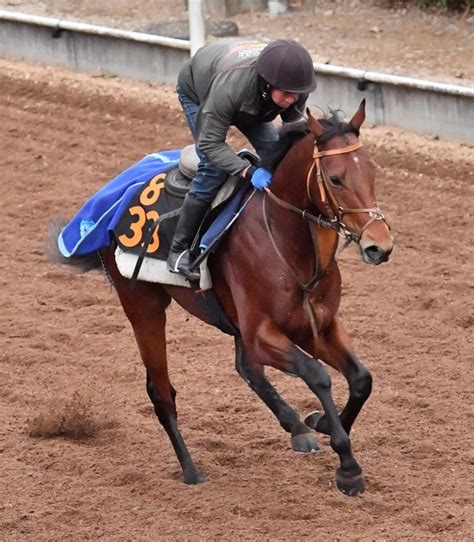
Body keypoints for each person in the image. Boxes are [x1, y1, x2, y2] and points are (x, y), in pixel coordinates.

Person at [167, 38, 317, 280]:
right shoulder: (229, 89)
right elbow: (210, 143)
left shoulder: (295, 89)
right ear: (268, 84)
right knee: (213, 168)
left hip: (252, 101)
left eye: (296, 95)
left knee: (280, 157)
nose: (292, 100)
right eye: (287, 94)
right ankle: (178, 250)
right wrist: (247, 171)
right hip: (200, 91)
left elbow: (293, 130)